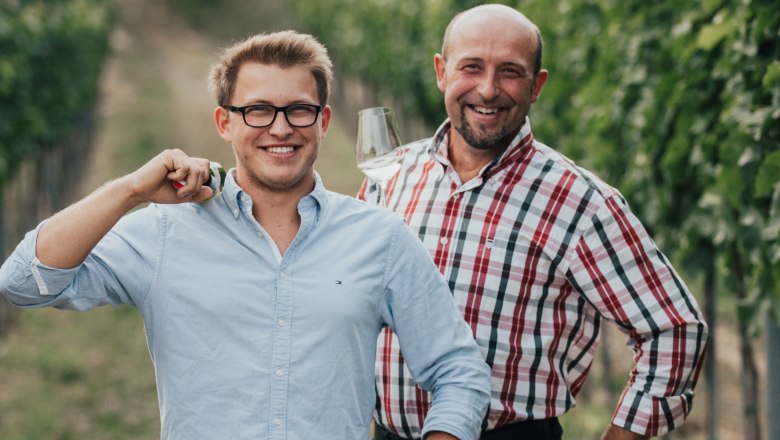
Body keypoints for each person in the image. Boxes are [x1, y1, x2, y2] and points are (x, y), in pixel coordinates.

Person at [0, 30, 491, 440]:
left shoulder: (379, 238)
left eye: (299, 110)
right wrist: (130, 191)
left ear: (323, 121)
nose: (280, 128)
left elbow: (459, 371)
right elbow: (24, 281)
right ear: (224, 122)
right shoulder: (164, 233)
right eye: (258, 110)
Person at [360, 5, 708, 440]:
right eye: (471, 67)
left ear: (536, 85)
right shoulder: (393, 175)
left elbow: (676, 330)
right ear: (441, 72)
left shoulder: (580, 202)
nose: (488, 89)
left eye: (510, 71)